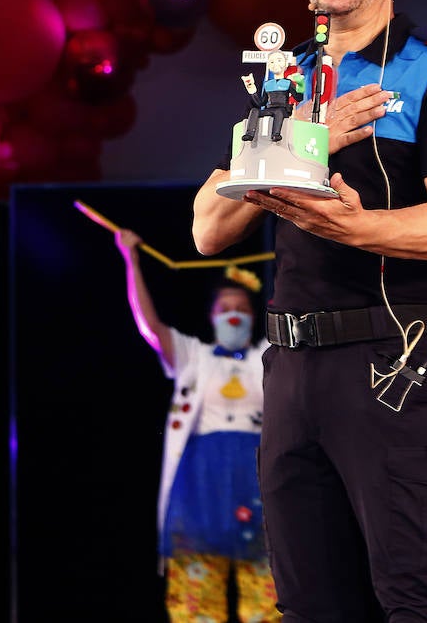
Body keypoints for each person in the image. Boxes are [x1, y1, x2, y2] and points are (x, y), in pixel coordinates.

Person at [191, 0, 427, 622]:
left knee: (417, 601)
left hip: (395, 361)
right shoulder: (284, 82)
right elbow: (209, 225)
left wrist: (358, 228)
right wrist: (308, 136)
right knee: (309, 608)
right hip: (292, 371)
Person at [114, 227, 280, 623]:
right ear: (212, 316)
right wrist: (131, 260)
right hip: (200, 486)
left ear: (253, 315)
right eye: (225, 308)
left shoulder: (267, 358)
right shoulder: (194, 357)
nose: (233, 315)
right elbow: (150, 325)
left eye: (240, 307)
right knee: (196, 606)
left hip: (256, 481)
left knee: (269, 600)